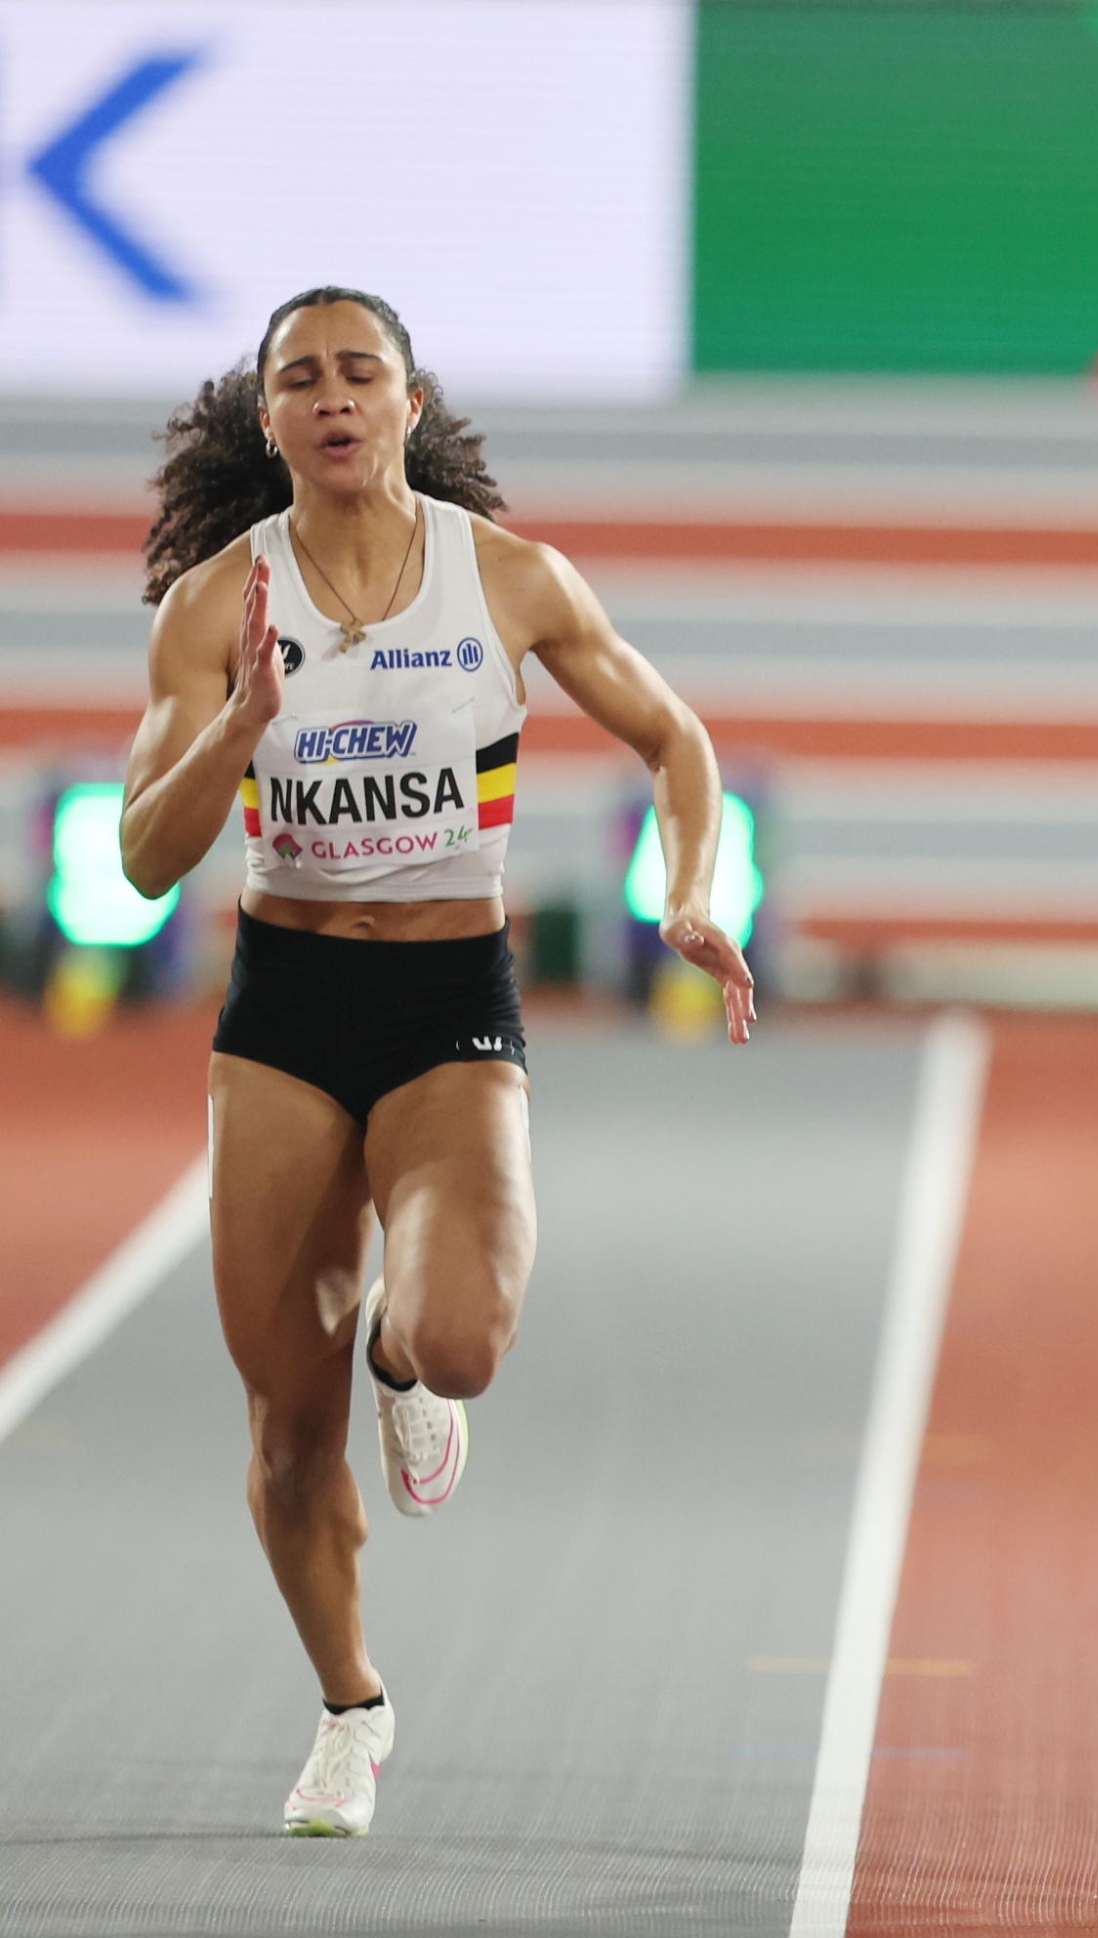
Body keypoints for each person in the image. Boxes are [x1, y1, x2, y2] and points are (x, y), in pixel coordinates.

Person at [122, 287, 757, 1836]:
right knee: (284, 1427)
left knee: (461, 1334)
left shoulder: (509, 581)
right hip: (282, 1017)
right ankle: (351, 1706)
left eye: (361, 373)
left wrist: (687, 891)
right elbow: (145, 859)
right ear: (267, 418)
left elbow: (677, 738)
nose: (333, 399)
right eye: (300, 379)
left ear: (410, 402)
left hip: (450, 1002)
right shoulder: (216, 608)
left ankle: (408, 1362)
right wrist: (239, 726)